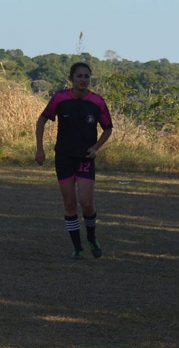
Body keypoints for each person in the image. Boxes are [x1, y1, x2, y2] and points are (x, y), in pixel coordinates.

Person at [35, 62, 113, 259]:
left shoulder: (97, 101)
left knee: (86, 203)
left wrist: (95, 148)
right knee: (70, 204)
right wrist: (40, 149)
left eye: (87, 76)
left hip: (85, 158)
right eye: (79, 76)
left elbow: (108, 128)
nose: (83, 80)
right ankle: (77, 248)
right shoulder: (60, 98)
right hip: (64, 157)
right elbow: (42, 120)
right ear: (71, 78)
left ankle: (92, 238)